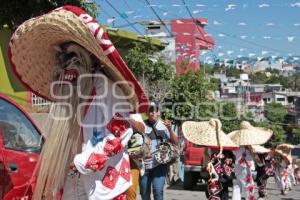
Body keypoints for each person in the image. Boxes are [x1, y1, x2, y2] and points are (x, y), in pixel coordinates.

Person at [140, 102, 178, 200]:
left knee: (158, 191)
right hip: (144, 166)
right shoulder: (142, 126)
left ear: (159, 112)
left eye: (155, 110)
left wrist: (169, 129)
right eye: (150, 111)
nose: (153, 113)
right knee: (144, 193)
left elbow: (175, 141)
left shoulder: (164, 125)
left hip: (159, 165)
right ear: (147, 113)